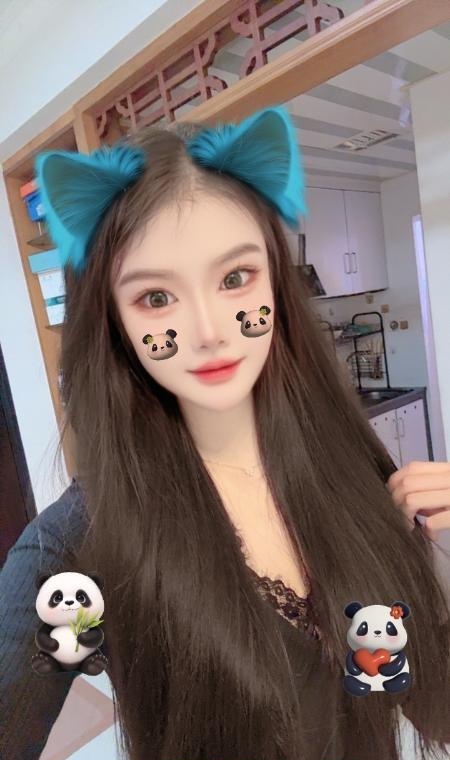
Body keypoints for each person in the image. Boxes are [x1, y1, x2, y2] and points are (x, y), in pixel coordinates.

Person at [1, 105, 449, 760]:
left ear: (274, 281)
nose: (208, 330)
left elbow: (425, 700)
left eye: (235, 278)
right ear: (114, 319)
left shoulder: (347, 466)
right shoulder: (77, 551)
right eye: (156, 297)